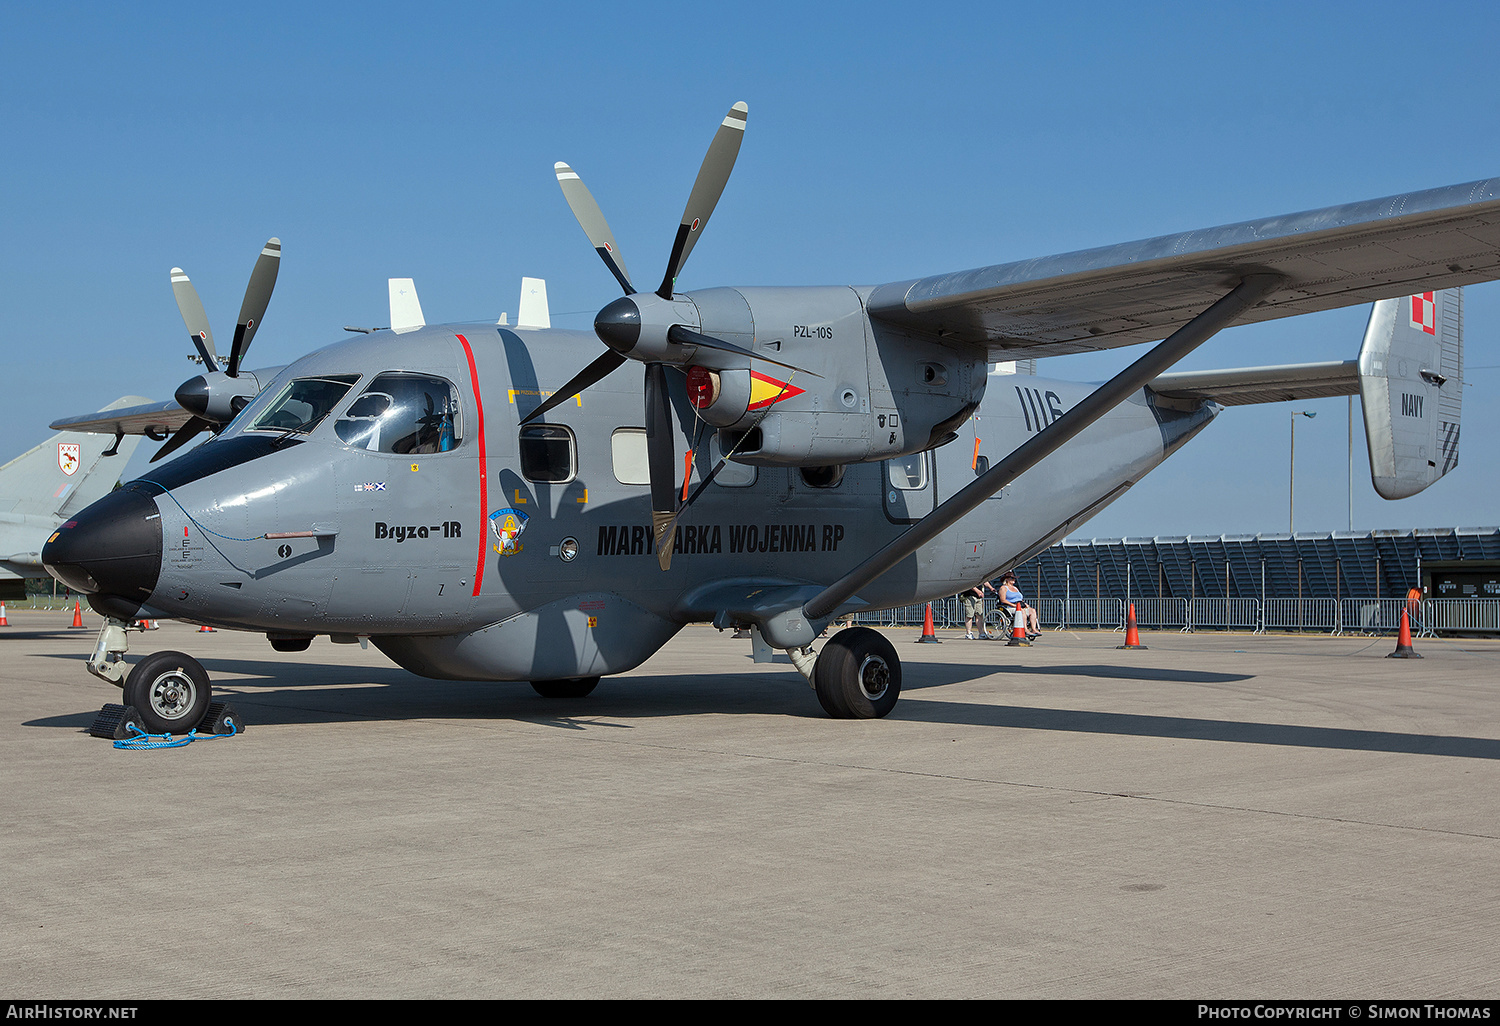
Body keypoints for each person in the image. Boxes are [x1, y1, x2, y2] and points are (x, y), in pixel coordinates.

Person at [998, 572, 1041, 639]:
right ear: (1007, 579)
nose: (1014, 580)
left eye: (1014, 578)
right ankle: (1025, 629)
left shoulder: (1015, 588)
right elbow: (1003, 600)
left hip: (1019, 605)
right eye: (1012, 578)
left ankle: (1034, 629)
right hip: (1009, 607)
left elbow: (1020, 598)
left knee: (1032, 611)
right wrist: (1014, 605)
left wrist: (1024, 604)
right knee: (1022, 611)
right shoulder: (1003, 588)